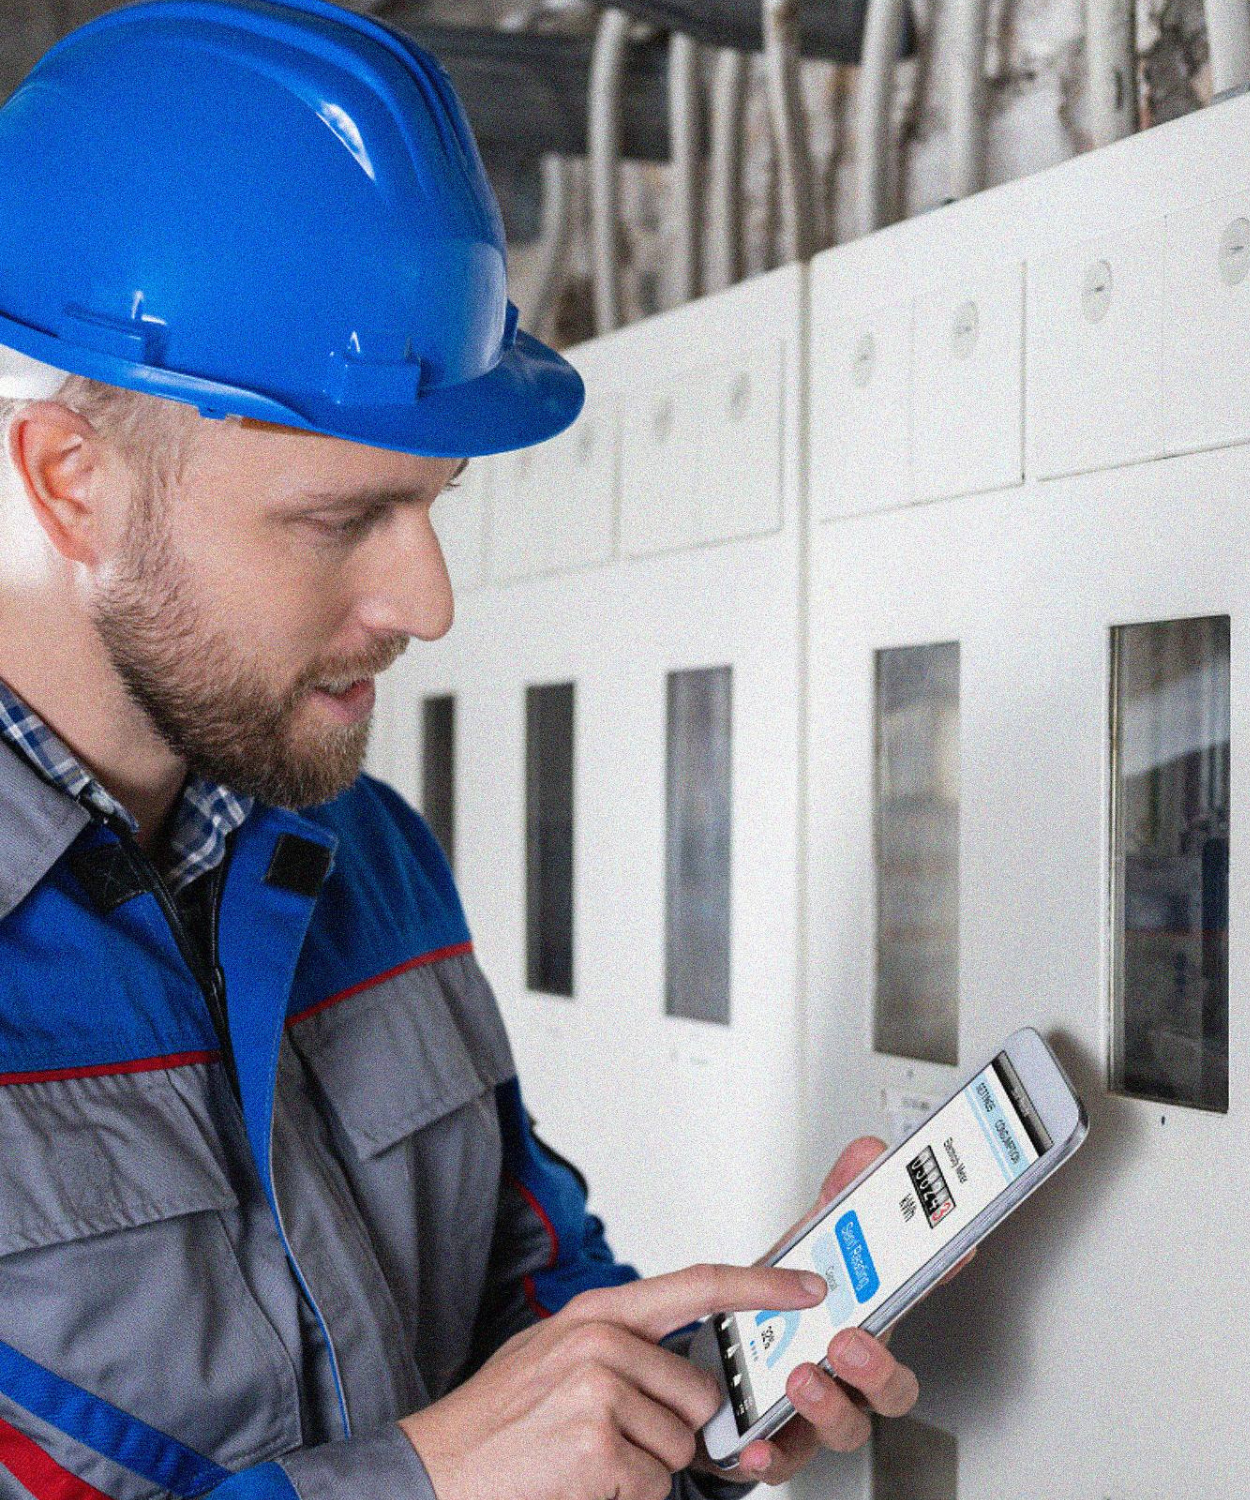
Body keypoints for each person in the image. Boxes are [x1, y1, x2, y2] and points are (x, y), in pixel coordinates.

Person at [0, 2, 928, 1497]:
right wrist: (424, 1485)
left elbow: (520, 1335)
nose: (424, 601)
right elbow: (460, 1461)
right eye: (338, 520)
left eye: (430, 503)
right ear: (73, 482)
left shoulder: (356, 857)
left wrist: (693, 1400)